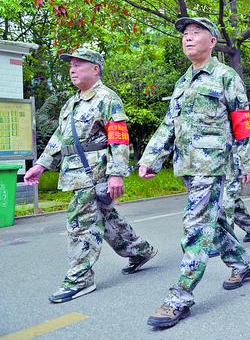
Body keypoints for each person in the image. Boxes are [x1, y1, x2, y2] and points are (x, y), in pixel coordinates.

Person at [138, 17, 250, 329]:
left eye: (196, 33)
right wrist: (151, 157)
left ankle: (180, 294)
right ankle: (242, 264)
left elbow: (242, 121)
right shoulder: (183, 82)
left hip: (215, 165)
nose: (188, 38)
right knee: (214, 223)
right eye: (185, 35)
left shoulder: (225, 76)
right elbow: (169, 124)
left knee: (195, 226)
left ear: (212, 41)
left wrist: (248, 162)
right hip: (188, 166)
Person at [23, 48, 156, 303]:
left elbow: (119, 138)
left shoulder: (107, 98)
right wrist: (41, 165)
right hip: (74, 172)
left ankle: (80, 278)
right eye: (71, 64)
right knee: (105, 217)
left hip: (94, 173)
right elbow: (60, 138)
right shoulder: (72, 102)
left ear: (95, 69)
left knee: (81, 225)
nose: (72, 69)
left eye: (79, 64)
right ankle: (140, 250)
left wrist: (116, 174)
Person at [225, 149, 250, 241]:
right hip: (209, 162)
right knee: (226, 199)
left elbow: (245, 137)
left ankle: (225, 240)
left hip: (229, 159)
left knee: (225, 198)